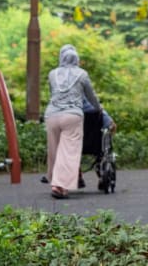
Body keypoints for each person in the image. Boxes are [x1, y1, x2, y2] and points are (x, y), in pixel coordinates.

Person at [44, 44, 103, 199]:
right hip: (72, 116)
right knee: (69, 151)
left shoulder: (52, 74)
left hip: (52, 115)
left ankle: (54, 181)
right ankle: (60, 186)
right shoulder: (82, 74)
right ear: (77, 59)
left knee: (54, 150)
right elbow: (91, 97)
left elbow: (53, 93)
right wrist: (99, 109)